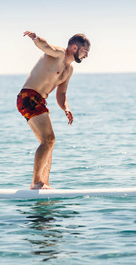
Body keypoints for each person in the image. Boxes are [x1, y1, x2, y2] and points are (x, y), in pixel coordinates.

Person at [17, 31, 91, 189]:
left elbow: (62, 93)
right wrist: (35, 38)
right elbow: (45, 46)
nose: (86, 55)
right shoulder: (58, 54)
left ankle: (44, 183)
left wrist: (66, 108)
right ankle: (36, 182)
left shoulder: (69, 70)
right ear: (74, 47)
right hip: (28, 97)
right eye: (85, 51)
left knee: (48, 143)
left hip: (39, 101)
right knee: (49, 140)